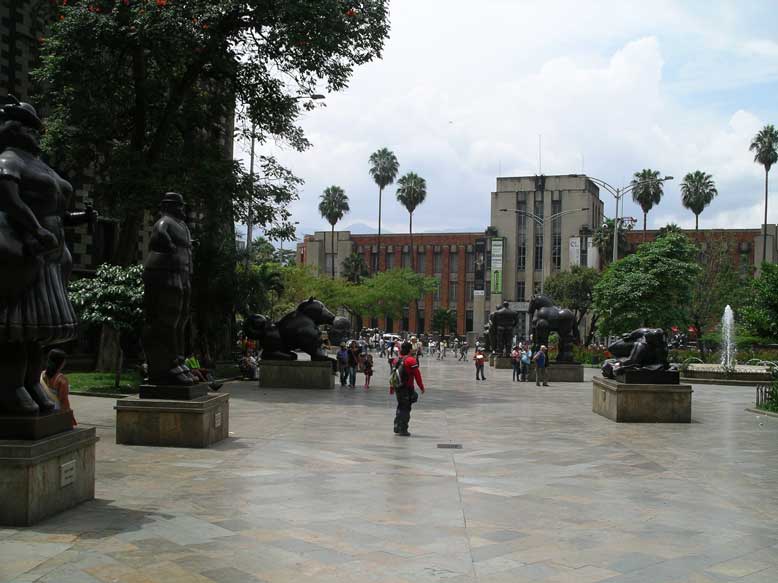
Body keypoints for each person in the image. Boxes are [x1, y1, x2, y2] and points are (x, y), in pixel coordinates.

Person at [0, 97, 96, 415]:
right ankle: (11, 387)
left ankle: (30, 384)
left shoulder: (39, 163)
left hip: (52, 257)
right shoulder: (10, 159)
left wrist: (81, 217)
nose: (36, 133)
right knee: (17, 327)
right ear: (14, 129)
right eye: (30, 127)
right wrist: (34, 229)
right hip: (25, 251)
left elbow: (56, 211)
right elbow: (9, 197)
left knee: (37, 332)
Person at [390, 341, 425, 436]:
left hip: (398, 387)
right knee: (406, 408)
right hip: (407, 387)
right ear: (410, 350)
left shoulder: (396, 360)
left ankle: (397, 426)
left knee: (400, 406)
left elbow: (393, 374)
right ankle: (403, 429)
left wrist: (391, 388)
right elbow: (417, 375)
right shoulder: (411, 360)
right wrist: (421, 387)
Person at [39, 349, 76, 427]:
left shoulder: (41, 375)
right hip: (56, 412)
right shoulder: (61, 379)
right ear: (61, 363)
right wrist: (69, 416)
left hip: (42, 410)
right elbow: (64, 400)